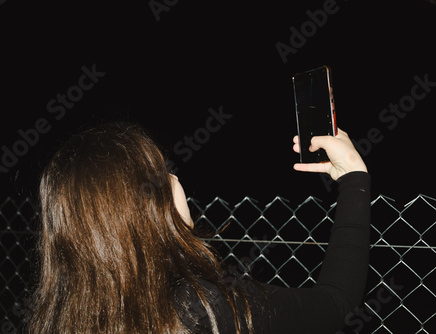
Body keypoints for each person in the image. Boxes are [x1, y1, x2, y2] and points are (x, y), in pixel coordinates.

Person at [24, 122, 370, 334]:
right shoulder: (205, 308)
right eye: (163, 172)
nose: (174, 177)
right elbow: (335, 303)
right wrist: (353, 178)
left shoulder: (56, 318)